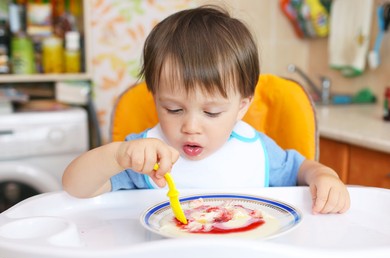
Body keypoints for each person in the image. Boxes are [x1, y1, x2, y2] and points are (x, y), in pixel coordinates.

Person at [62, 5, 350, 214]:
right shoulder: (144, 156)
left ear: (242, 107)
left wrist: (324, 176)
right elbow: (75, 187)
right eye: (173, 109)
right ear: (155, 98)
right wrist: (117, 155)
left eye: (211, 113)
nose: (191, 126)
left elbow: (301, 169)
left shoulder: (257, 151)